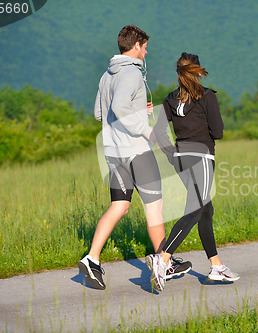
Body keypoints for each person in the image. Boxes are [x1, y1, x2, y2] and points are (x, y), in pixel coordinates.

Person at [78, 25, 191, 290]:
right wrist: (146, 129)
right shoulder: (131, 73)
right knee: (154, 206)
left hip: (113, 152)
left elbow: (100, 113)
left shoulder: (107, 75)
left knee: (120, 206)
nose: (147, 51)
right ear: (137, 45)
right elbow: (119, 107)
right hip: (136, 151)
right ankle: (165, 262)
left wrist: (139, 109)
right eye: (145, 46)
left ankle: (91, 259)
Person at [147, 52, 239, 291]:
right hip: (202, 158)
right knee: (196, 209)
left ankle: (216, 266)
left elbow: (158, 133)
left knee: (206, 209)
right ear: (198, 72)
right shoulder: (207, 97)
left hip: (181, 159)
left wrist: (173, 156)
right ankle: (163, 258)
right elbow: (217, 132)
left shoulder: (169, 99)